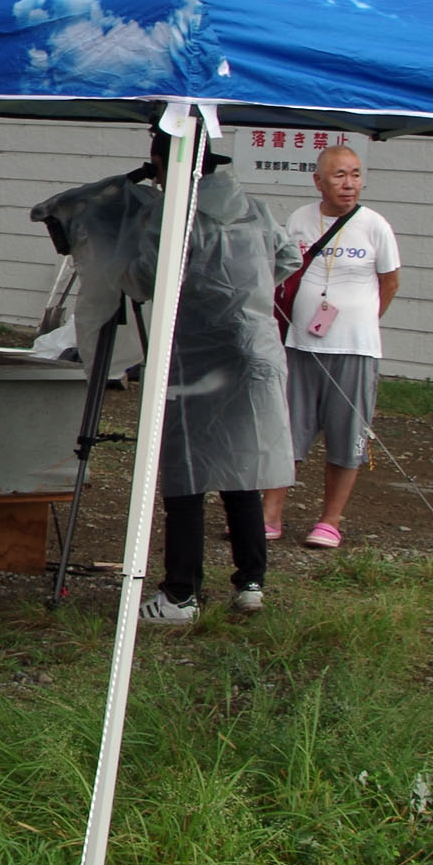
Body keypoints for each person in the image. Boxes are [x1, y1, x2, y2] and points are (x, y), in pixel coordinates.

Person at [122, 130, 298, 624]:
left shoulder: (173, 212)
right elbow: (288, 257)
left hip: (195, 355)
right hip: (253, 350)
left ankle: (181, 594)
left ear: (163, 163)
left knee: (187, 474)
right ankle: (251, 583)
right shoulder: (256, 209)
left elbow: (143, 278)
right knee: (242, 467)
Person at [265, 143, 400, 550]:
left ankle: (330, 520)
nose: (349, 184)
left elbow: (389, 283)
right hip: (301, 344)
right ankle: (270, 515)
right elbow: (283, 271)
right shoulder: (300, 219)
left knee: (347, 435)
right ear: (319, 181)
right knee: (287, 430)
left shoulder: (375, 225)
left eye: (355, 174)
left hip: (356, 347)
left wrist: (362, 320)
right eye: (339, 175)